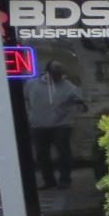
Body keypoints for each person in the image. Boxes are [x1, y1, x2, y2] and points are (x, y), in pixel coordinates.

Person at [23, 60, 86, 190]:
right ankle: (49, 180)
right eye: (55, 74)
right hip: (38, 125)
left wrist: (78, 103)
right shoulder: (32, 84)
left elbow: (79, 99)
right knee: (42, 155)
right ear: (48, 73)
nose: (58, 77)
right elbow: (26, 99)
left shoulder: (68, 86)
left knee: (63, 152)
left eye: (60, 74)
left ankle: (64, 179)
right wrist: (32, 116)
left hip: (61, 124)